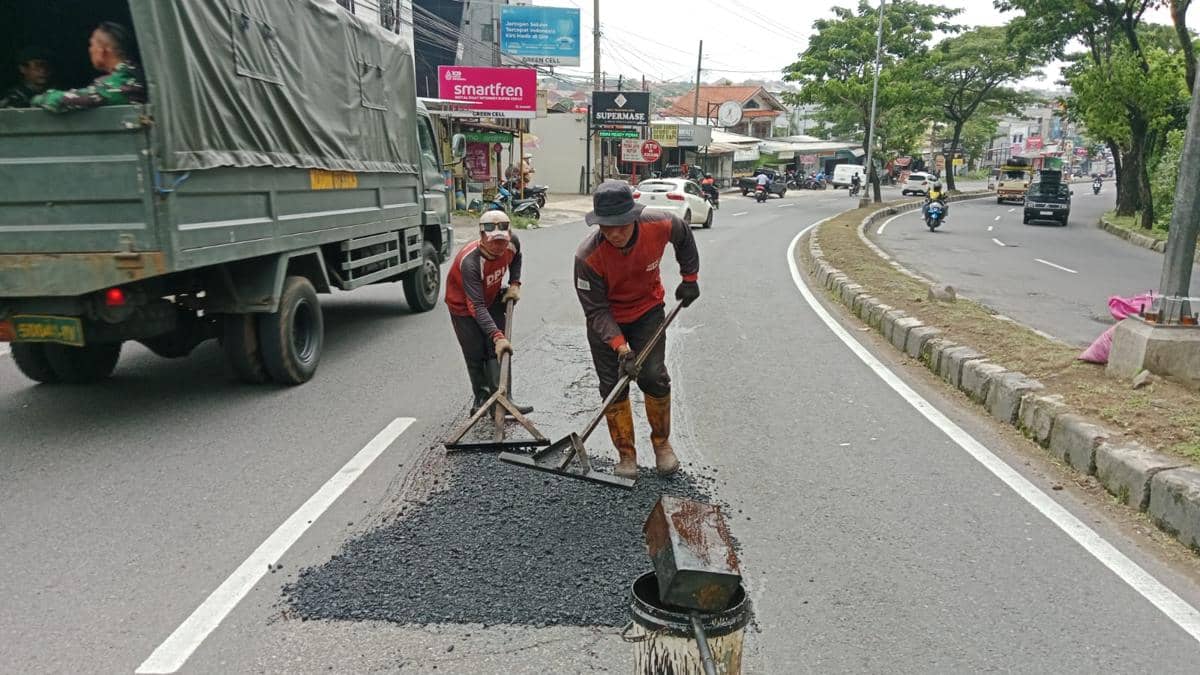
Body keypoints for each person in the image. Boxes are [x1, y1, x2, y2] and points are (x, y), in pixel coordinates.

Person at [576, 181, 700, 479]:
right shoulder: (587, 257)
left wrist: (690, 277)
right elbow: (596, 310)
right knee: (612, 386)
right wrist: (621, 347)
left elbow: (684, 236)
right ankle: (626, 454)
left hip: (647, 311)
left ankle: (662, 445)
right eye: (606, 226)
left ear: (634, 217)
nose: (614, 233)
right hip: (607, 321)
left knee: (654, 376)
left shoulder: (660, 223)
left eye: (620, 225)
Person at [445, 210, 531, 415]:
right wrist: (498, 336)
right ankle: (483, 398)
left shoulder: (512, 244)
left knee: (498, 350)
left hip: (491, 298)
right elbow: (476, 306)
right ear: (482, 237)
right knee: (475, 351)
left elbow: (517, 258)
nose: (499, 246)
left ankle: (504, 398)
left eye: (502, 241)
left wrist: (514, 283)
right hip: (463, 307)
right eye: (493, 241)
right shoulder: (471, 263)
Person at [31, 22, 145, 113]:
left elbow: (62, 100)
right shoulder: (135, 73)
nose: (90, 50)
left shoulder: (124, 80)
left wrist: (40, 99)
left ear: (102, 51)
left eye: (92, 45)